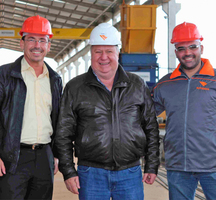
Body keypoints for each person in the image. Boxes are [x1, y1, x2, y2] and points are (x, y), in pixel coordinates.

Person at [54, 23, 160, 200]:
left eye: (109, 51)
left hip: (130, 172)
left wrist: (152, 164)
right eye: (98, 52)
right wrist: (68, 171)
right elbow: (63, 133)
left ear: (118, 53)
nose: (104, 57)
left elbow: (150, 126)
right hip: (90, 173)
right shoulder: (75, 87)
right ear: (91, 54)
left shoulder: (136, 85)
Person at [152, 22, 216, 200]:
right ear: (175, 51)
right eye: (181, 48)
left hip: (213, 166)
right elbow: (142, 115)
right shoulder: (165, 85)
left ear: (201, 47)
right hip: (178, 166)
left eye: (193, 47)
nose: (187, 53)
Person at [0, 15, 63, 200]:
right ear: (21, 43)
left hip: (44, 157)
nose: (36, 45)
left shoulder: (55, 80)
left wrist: (55, 154)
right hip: (13, 157)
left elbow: (57, 119)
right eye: (31, 39)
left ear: (49, 45)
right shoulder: (4, 75)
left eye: (42, 40)